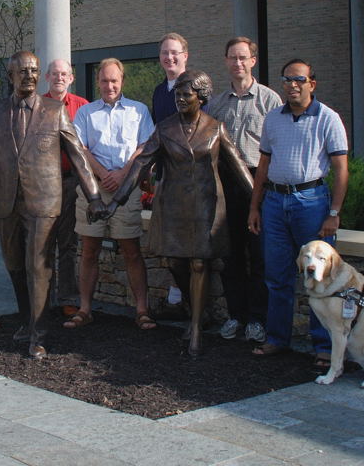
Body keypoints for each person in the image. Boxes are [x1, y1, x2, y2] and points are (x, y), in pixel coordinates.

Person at [0, 51, 106, 360]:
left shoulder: (55, 110)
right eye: (23, 71)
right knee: (15, 266)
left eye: (33, 71)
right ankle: (28, 321)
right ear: (10, 75)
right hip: (7, 201)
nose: (29, 76)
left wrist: (93, 195)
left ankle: (39, 334)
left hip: (44, 201)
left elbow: (78, 154)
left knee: (38, 267)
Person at [104, 70, 252, 356]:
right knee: (175, 262)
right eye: (178, 94)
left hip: (206, 206)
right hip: (172, 206)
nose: (181, 99)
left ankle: (195, 327)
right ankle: (196, 309)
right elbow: (140, 166)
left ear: (202, 97)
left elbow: (239, 169)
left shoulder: (215, 129)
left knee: (199, 263)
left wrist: (259, 202)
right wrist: (115, 202)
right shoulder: (164, 128)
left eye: (187, 94)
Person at [247, 58, 349, 367]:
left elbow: (341, 169)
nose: (292, 84)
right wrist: (255, 206)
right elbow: (263, 165)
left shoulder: (328, 118)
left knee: (320, 278)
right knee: (277, 276)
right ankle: (278, 339)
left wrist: (334, 212)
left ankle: (323, 345)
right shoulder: (273, 119)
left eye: (299, 80)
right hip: (275, 203)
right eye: (287, 79)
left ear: (311, 84)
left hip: (312, 202)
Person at [65, 58, 157, 331]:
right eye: (104, 80)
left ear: (122, 81)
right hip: (93, 189)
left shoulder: (138, 111)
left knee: (131, 250)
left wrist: (122, 173)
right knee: (89, 249)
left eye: (114, 80)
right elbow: (79, 148)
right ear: (98, 82)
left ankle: (142, 310)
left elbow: (144, 146)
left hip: (126, 190)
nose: (109, 85)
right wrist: (102, 173)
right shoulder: (86, 113)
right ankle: (84, 309)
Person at [207, 37, 282, 344]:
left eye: (243, 58)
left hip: (257, 182)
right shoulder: (217, 104)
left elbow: (277, 146)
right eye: (232, 58)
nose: (237, 63)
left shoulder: (269, 101)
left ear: (253, 61)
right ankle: (236, 315)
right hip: (226, 184)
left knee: (259, 255)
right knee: (230, 254)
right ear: (226, 61)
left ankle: (257, 319)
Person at [42, 59, 89, 317]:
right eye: (55, 74)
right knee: (43, 243)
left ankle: (68, 298)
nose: (60, 77)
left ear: (71, 78)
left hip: (71, 181)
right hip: (44, 184)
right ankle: (43, 298)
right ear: (47, 77)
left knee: (68, 244)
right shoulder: (37, 106)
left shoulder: (82, 107)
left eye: (64, 74)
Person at [151, 32, 189, 124]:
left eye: (174, 52)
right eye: (164, 53)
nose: (169, 57)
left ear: (185, 56)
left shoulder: (195, 87)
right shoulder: (158, 92)